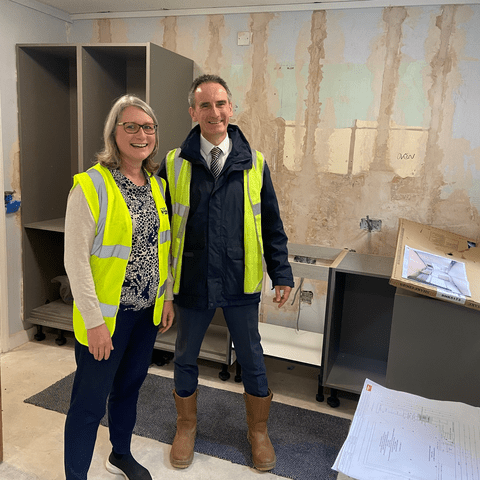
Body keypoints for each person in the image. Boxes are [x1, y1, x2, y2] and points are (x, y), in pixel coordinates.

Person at [158, 74, 294, 472]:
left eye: (220, 104)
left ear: (231, 109)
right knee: (185, 354)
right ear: (193, 112)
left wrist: (281, 272)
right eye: (205, 105)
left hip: (239, 278)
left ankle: (258, 432)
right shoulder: (174, 162)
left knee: (252, 357)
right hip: (193, 278)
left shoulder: (255, 163)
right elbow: (164, 229)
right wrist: (163, 289)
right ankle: (186, 426)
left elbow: (271, 221)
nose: (214, 112)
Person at [64, 94, 174, 480]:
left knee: (129, 389)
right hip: (106, 320)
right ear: (114, 132)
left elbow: (163, 248)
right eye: (131, 126)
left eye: (148, 127)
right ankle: (75, 475)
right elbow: (75, 261)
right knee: (89, 403)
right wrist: (93, 321)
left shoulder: (156, 186)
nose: (141, 134)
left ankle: (120, 455)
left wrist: (167, 298)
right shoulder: (90, 186)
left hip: (145, 315)